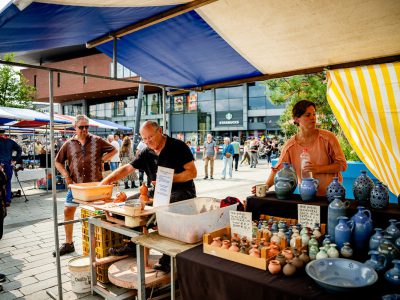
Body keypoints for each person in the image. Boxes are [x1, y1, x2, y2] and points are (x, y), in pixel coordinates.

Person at [100, 120, 197, 272]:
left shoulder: (178, 146)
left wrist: (170, 178)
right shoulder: (147, 152)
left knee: (163, 212)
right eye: (144, 139)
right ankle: (134, 244)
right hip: (155, 192)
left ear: (160, 131)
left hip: (182, 192)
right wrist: (104, 182)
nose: (147, 141)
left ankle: (168, 257)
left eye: (150, 137)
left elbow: (192, 172)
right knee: (126, 208)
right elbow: (127, 168)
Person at [54, 115, 117, 256]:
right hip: (77, 186)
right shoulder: (68, 144)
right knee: (67, 211)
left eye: (86, 127)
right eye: (81, 127)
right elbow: (57, 161)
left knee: (101, 212)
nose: (84, 129)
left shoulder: (97, 140)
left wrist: (102, 160)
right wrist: (65, 175)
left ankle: (106, 242)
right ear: (75, 128)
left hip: (96, 185)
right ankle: (69, 243)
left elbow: (114, 150)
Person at [259, 100, 347, 196]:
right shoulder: (290, 145)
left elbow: (342, 165)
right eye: (308, 115)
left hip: (332, 196)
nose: (313, 118)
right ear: (296, 119)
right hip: (306, 197)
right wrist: (266, 186)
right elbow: (278, 169)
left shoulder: (328, 137)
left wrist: (318, 169)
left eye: (314, 114)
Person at [0, 129, 22, 207]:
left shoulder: (10, 141)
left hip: (1, 164)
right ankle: (7, 201)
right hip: (8, 164)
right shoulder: (10, 141)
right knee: (7, 182)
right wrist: (15, 160)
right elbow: (19, 149)